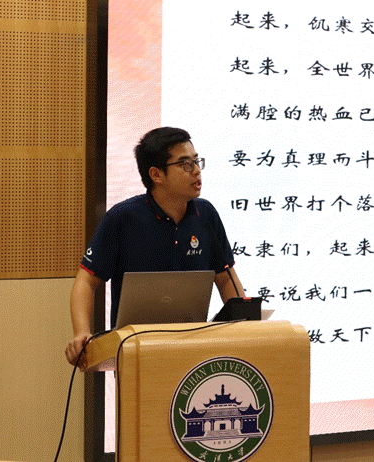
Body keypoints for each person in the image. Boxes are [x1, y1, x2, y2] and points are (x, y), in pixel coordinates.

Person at [65, 127, 244, 369]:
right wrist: (81, 333)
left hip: (194, 353)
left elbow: (225, 278)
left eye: (196, 161)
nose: (196, 170)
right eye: (186, 164)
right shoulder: (123, 218)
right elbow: (86, 280)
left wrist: (245, 325)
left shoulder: (206, 215)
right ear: (156, 174)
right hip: (135, 354)